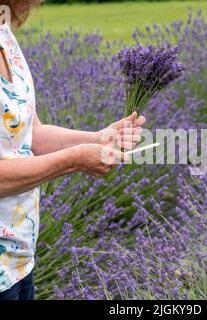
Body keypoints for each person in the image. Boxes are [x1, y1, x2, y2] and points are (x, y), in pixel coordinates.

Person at [0, 0, 145, 300]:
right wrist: (74, 160)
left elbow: (31, 133)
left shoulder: (5, 36)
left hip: (20, 260)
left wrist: (96, 139)